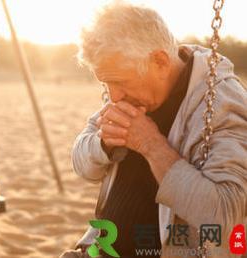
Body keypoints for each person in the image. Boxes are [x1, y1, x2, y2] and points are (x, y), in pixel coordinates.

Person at [59, 2, 247, 258]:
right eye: (106, 83)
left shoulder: (222, 101)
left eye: (120, 82)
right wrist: (103, 144)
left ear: (160, 61)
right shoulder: (131, 92)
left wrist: (150, 144)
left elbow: (225, 214)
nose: (113, 96)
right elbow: (83, 166)